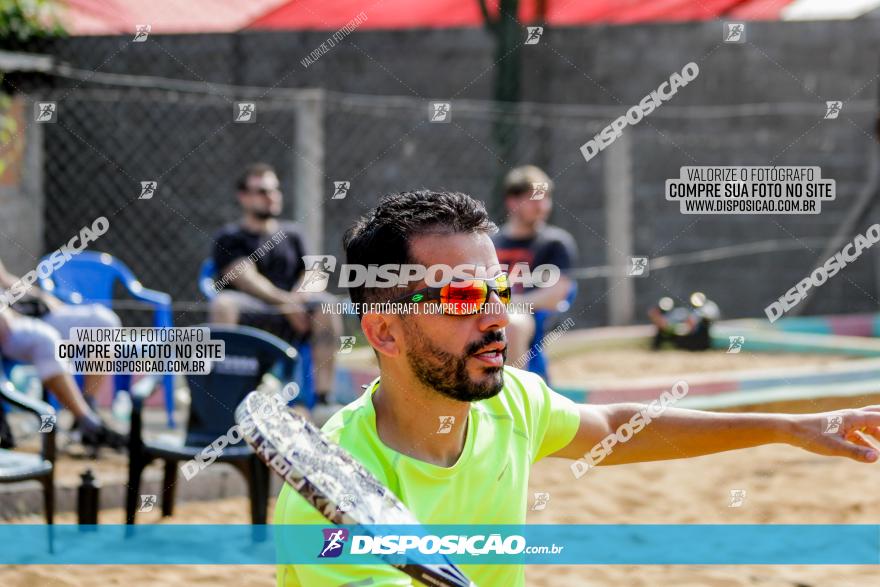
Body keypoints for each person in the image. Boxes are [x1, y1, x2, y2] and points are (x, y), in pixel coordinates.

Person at [275, 190, 880, 586]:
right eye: (461, 296)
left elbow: (615, 429)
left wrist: (783, 428)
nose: (494, 317)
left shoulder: (513, 401)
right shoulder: (329, 499)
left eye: (498, 291)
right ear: (384, 331)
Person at [209, 163, 342, 417]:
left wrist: (301, 297)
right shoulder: (230, 236)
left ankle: (325, 400)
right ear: (243, 197)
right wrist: (286, 302)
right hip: (252, 313)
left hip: (296, 319)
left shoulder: (293, 233)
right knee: (222, 305)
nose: (271, 196)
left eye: (275, 190)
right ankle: (223, 401)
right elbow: (245, 277)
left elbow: (315, 272)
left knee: (326, 304)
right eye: (262, 190)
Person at [491, 165, 578, 365]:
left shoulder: (555, 243)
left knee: (512, 324)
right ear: (512, 202)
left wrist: (509, 304)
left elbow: (555, 296)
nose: (543, 206)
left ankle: (514, 394)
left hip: (528, 316)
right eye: (535, 198)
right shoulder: (490, 243)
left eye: (546, 198)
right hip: (491, 311)